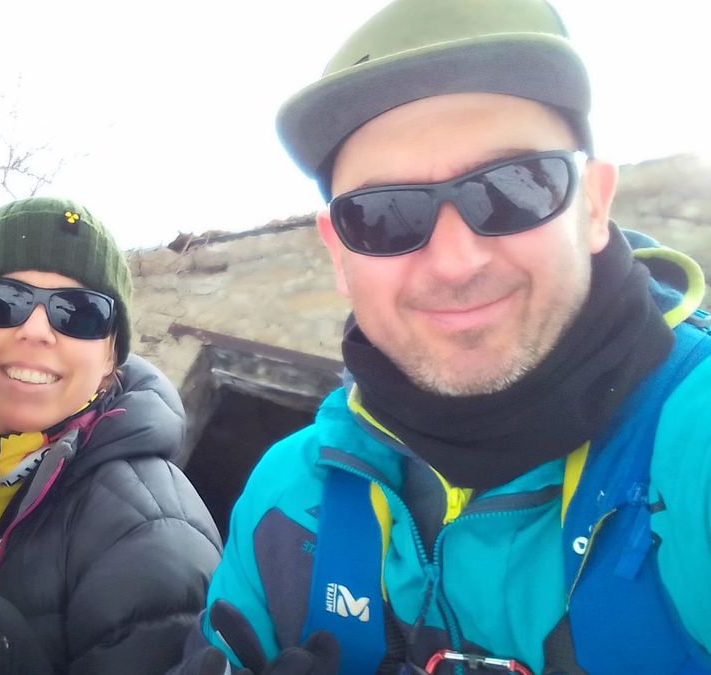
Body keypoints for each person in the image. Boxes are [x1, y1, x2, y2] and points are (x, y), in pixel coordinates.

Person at [173, 0, 711, 673]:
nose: (457, 262)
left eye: (514, 188)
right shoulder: (286, 496)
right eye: (385, 214)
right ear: (338, 253)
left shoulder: (693, 437)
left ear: (595, 205)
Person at [0, 195, 223, 674]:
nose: (36, 330)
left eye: (80, 313)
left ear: (110, 358)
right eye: (0, 303)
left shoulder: (148, 539)